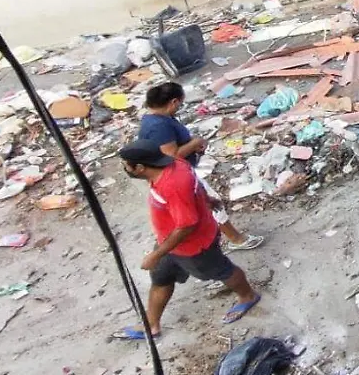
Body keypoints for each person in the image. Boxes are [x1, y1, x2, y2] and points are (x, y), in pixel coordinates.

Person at [112, 140, 260, 341]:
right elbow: (196, 187)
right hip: (169, 242)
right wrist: (207, 201)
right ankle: (152, 324)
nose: (125, 169)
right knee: (161, 278)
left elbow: (186, 225)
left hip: (194, 245)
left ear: (139, 167)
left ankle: (248, 296)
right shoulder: (176, 164)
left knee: (223, 271)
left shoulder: (171, 185)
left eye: (126, 165)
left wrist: (156, 254)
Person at [140, 82, 263, 252]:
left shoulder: (156, 118)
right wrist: (195, 143)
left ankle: (211, 237)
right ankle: (235, 239)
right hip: (177, 175)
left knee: (199, 206)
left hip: (178, 172)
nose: (179, 108)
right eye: (180, 104)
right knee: (211, 201)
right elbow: (171, 155)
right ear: (173, 102)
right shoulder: (159, 126)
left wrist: (192, 144)